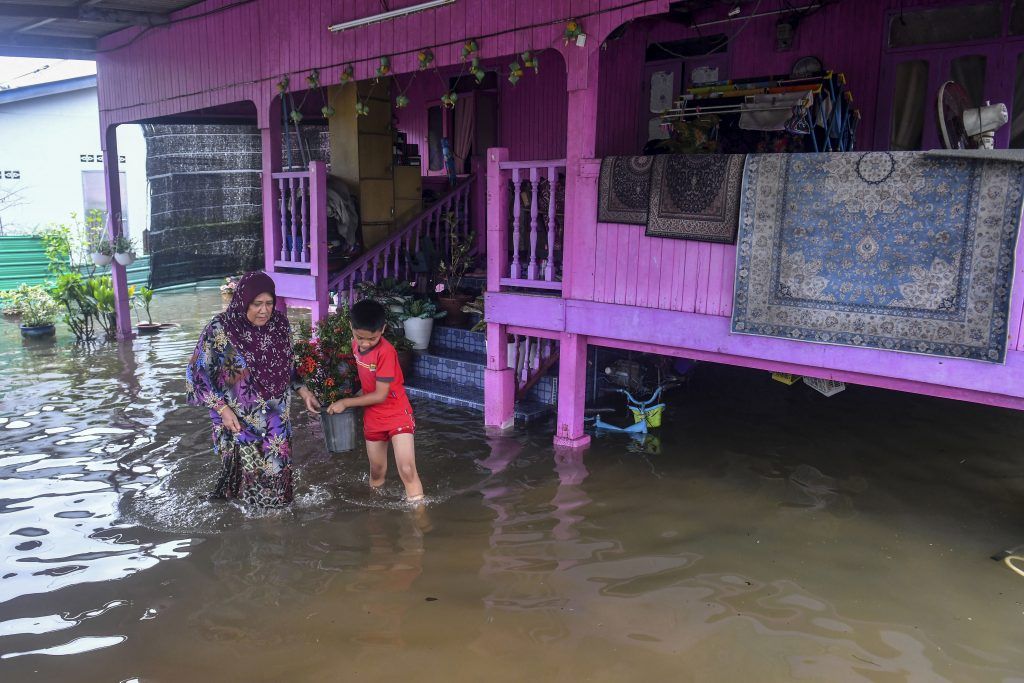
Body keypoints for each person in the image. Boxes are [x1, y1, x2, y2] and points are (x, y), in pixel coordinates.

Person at [186, 271, 320, 511]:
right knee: (248, 486)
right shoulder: (220, 330)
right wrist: (222, 409)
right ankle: (250, 532)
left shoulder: (279, 325)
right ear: (244, 301)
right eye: (257, 304)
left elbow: (287, 365)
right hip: (238, 421)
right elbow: (197, 373)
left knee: (278, 482)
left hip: (276, 418)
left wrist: (303, 390)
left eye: (269, 303)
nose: (264, 310)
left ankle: (276, 531)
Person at [326, 299, 423, 502]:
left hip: (397, 413)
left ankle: (419, 518)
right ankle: (375, 511)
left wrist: (346, 402)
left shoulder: (386, 352)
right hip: (373, 416)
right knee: (377, 471)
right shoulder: (355, 346)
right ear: (351, 327)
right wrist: (345, 398)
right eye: (360, 337)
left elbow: (380, 394)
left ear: (383, 329)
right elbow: (368, 386)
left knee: (407, 469)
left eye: (372, 338)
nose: (365, 343)